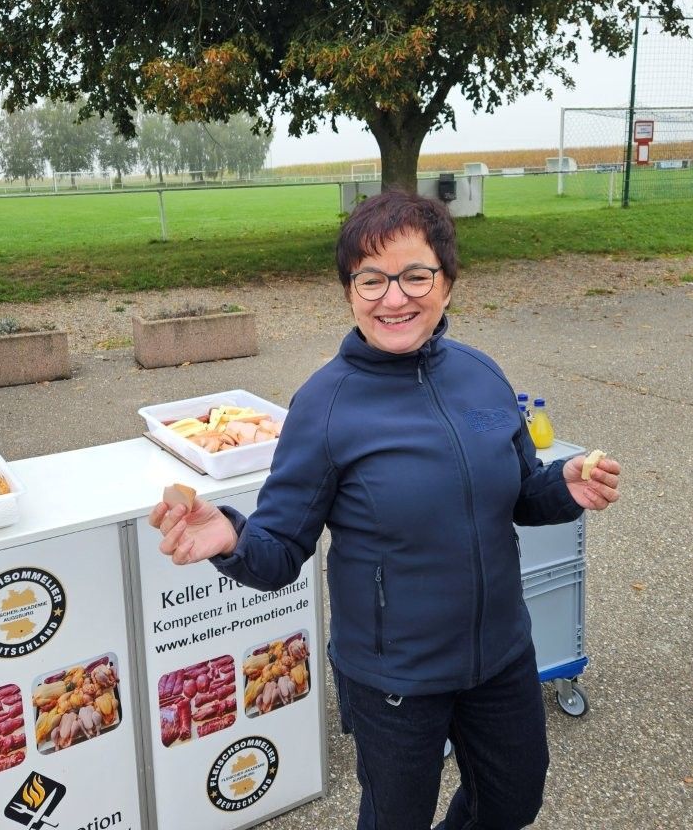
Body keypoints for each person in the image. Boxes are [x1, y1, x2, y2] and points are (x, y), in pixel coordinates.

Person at [149, 191, 621, 830]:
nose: (393, 298)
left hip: (500, 653)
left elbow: (520, 494)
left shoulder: (482, 376)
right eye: (371, 279)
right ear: (350, 293)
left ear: (446, 283)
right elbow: (279, 551)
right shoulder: (326, 405)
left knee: (513, 801)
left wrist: (563, 486)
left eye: (415, 276)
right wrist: (230, 538)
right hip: (394, 677)